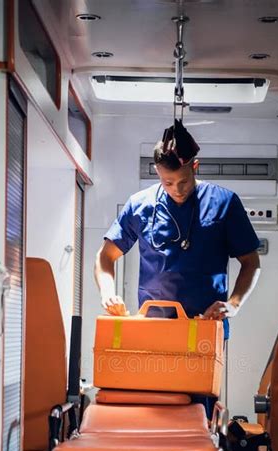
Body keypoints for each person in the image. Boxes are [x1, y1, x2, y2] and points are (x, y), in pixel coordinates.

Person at [94, 122, 260, 412]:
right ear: (157, 174)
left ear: (195, 167)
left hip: (204, 329)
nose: (177, 190)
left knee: (199, 411)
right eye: (167, 182)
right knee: (152, 410)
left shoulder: (224, 203)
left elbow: (251, 263)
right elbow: (105, 257)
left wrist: (233, 304)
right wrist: (107, 291)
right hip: (153, 330)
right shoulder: (140, 205)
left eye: (183, 181)